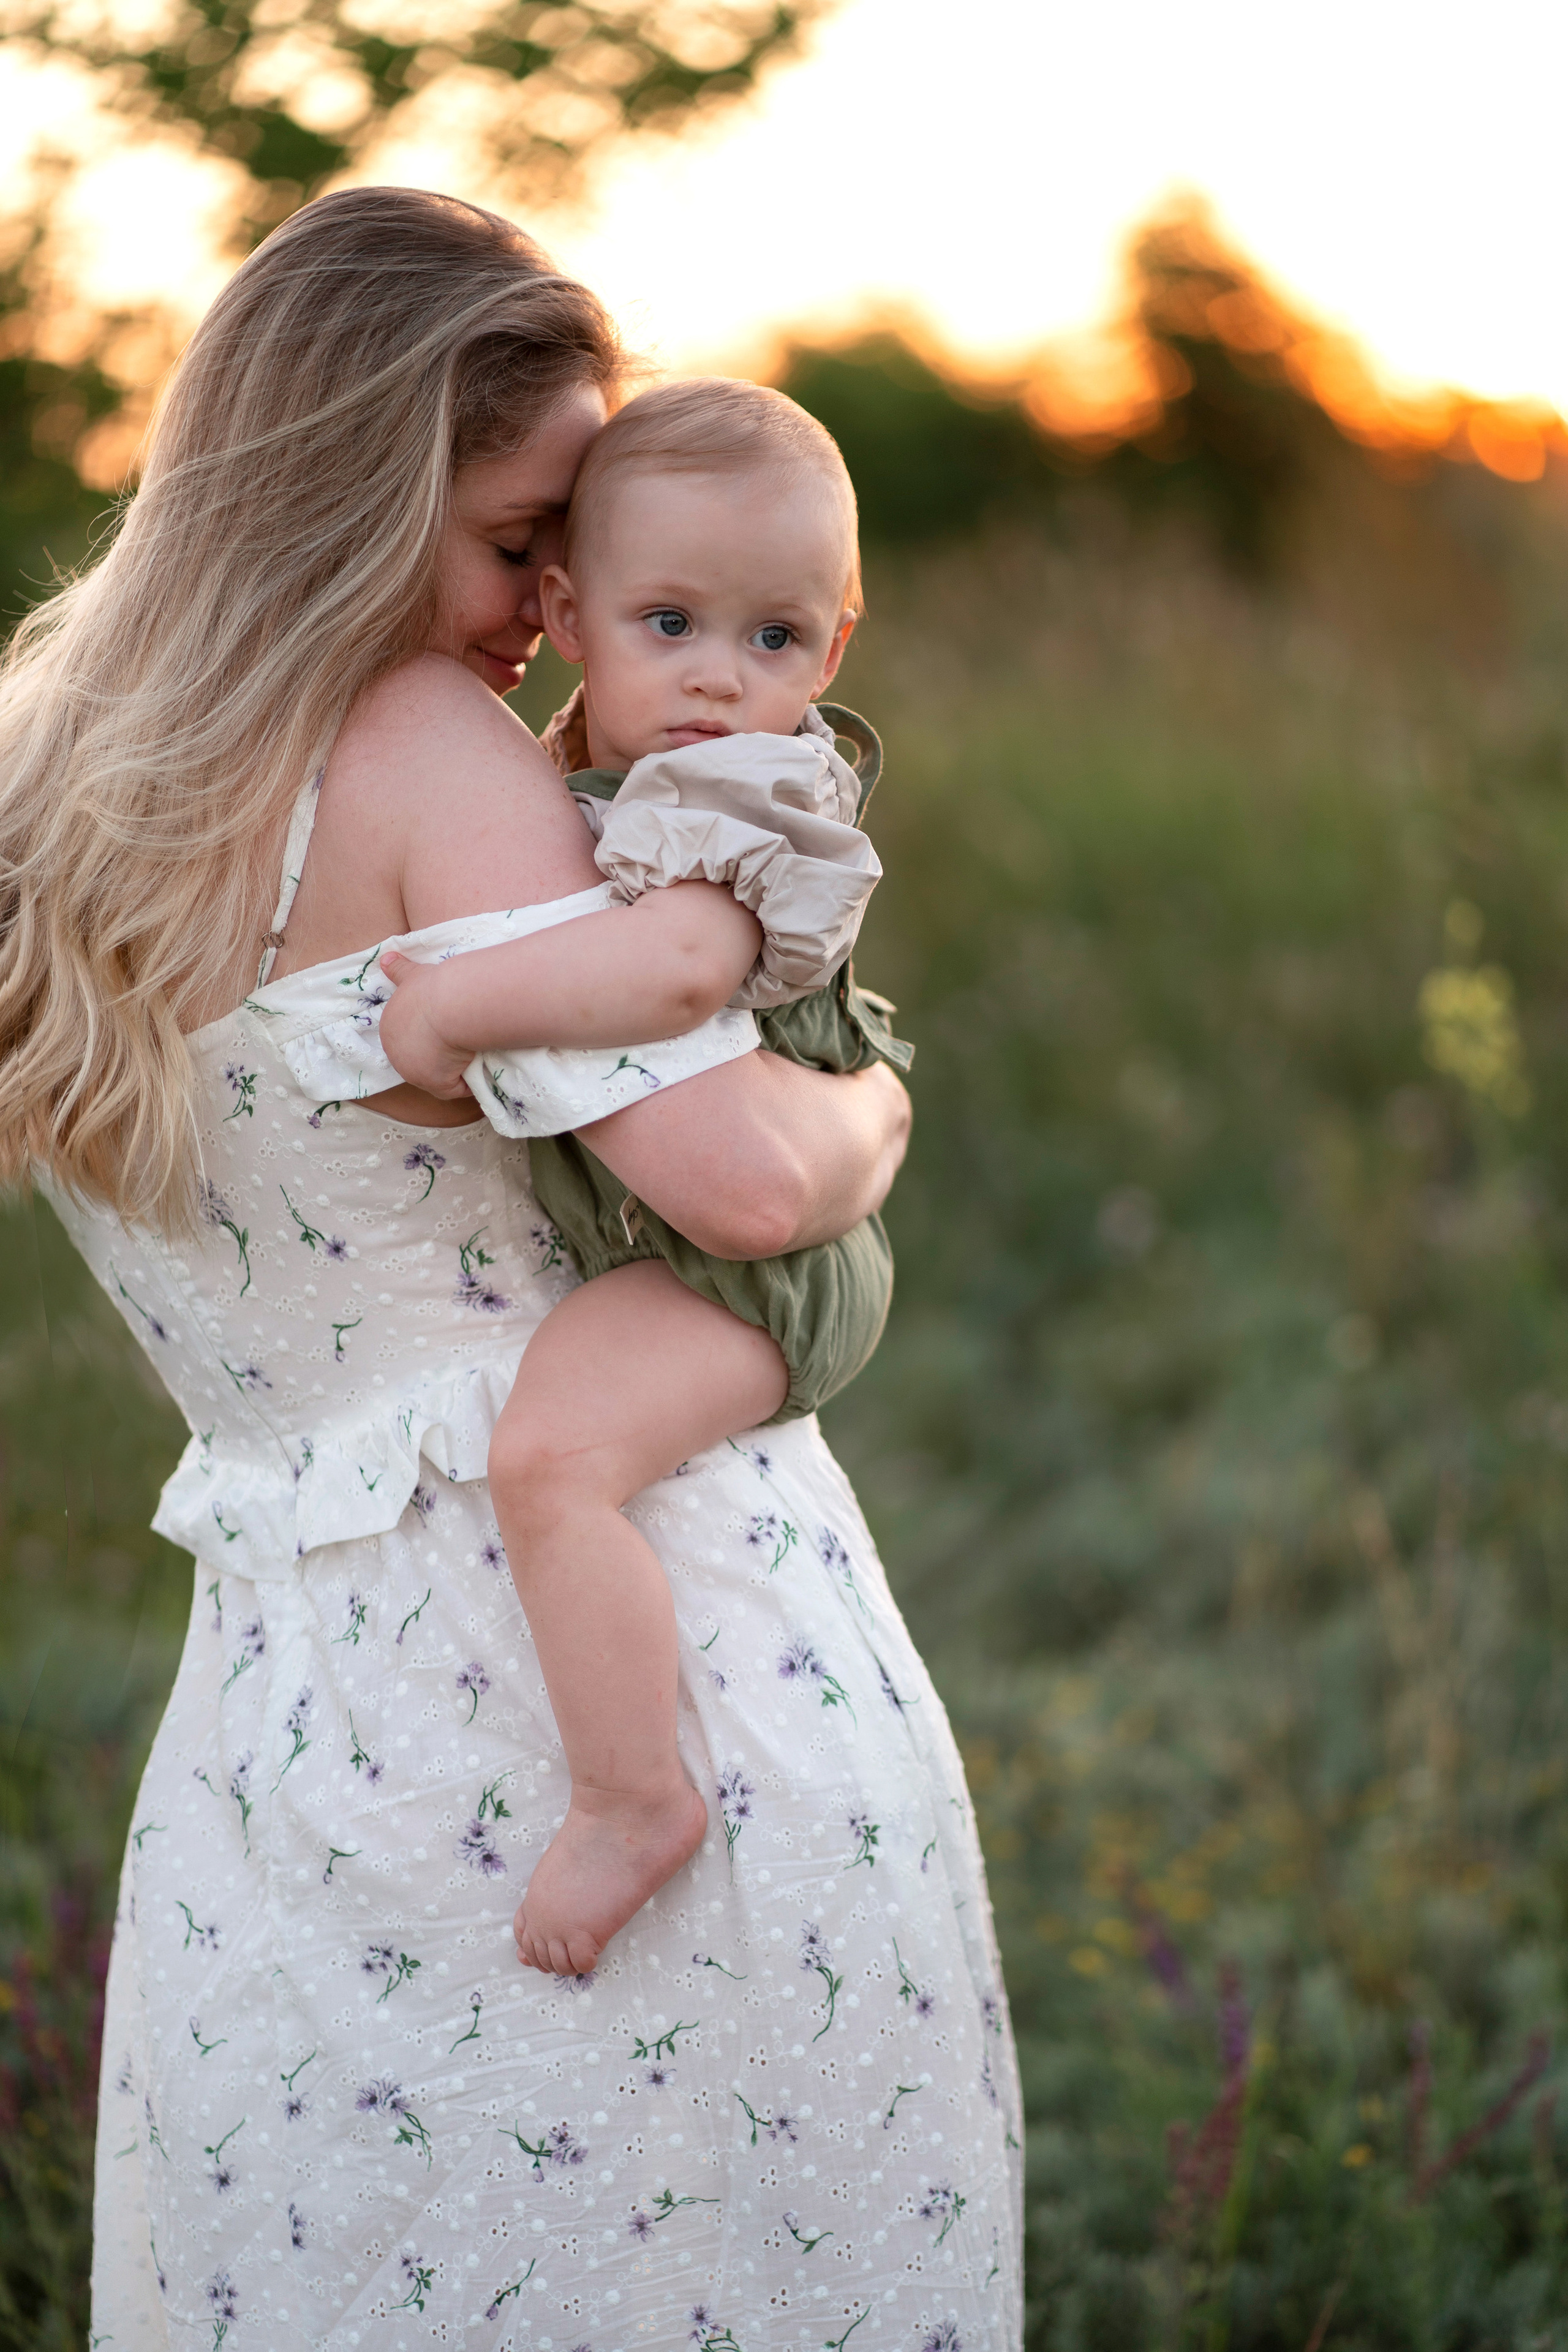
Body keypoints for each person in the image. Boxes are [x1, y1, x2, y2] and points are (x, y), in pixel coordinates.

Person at [0, 185, 1022, 2348]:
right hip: (618, 1684)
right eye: (510, 545)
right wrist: (884, 1114)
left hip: (288, 1729)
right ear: (355, 497)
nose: (547, 623)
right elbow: (745, 1177)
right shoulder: (425, 751)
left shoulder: (42, 777)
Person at [374, 376, 907, 1983]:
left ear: (833, 646)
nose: (718, 681)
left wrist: (455, 1009)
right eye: (668, 622)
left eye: (775, 640)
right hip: (683, 1245)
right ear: (568, 612)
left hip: (745, 1271)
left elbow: (678, 973)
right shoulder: (578, 764)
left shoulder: (746, 795)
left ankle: (630, 1799)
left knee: (552, 1457)